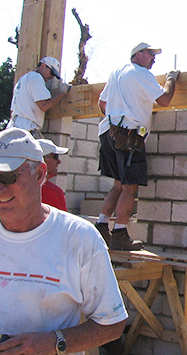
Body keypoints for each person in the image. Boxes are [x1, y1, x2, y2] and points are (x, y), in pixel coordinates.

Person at [0, 128, 127, 354]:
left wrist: (53, 342)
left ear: (40, 174)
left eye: (8, 177)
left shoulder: (78, 237)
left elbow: (112, 323)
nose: (1, 188)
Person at [95, 42, 180, 251]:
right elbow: (164, 100)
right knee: (129, 187)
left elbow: (102, 103)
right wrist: (171, 79)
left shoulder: (117, 73)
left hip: (108, 133)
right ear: (138, 54)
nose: (153, 58)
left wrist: (119, 113)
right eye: (150, 54)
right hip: (128, 137)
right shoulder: (141, 73)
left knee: (118, 185)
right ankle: (120, 234)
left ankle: (102, 227)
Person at [7, 57, 71, 138]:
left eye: (54, 75)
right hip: (26, 129)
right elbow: (44, 106)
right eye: (51, 73)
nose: (52, 77)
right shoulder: (36, 77)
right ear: (43, 66)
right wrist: (62, 92)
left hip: (13, 128)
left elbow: (12, 111)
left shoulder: (22, 80)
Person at [38, 138, 69, 212]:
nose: (59, 161)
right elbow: (62, 219)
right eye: (55, 157)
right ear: (43, 160)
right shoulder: (54, 192)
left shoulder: (18, 187)